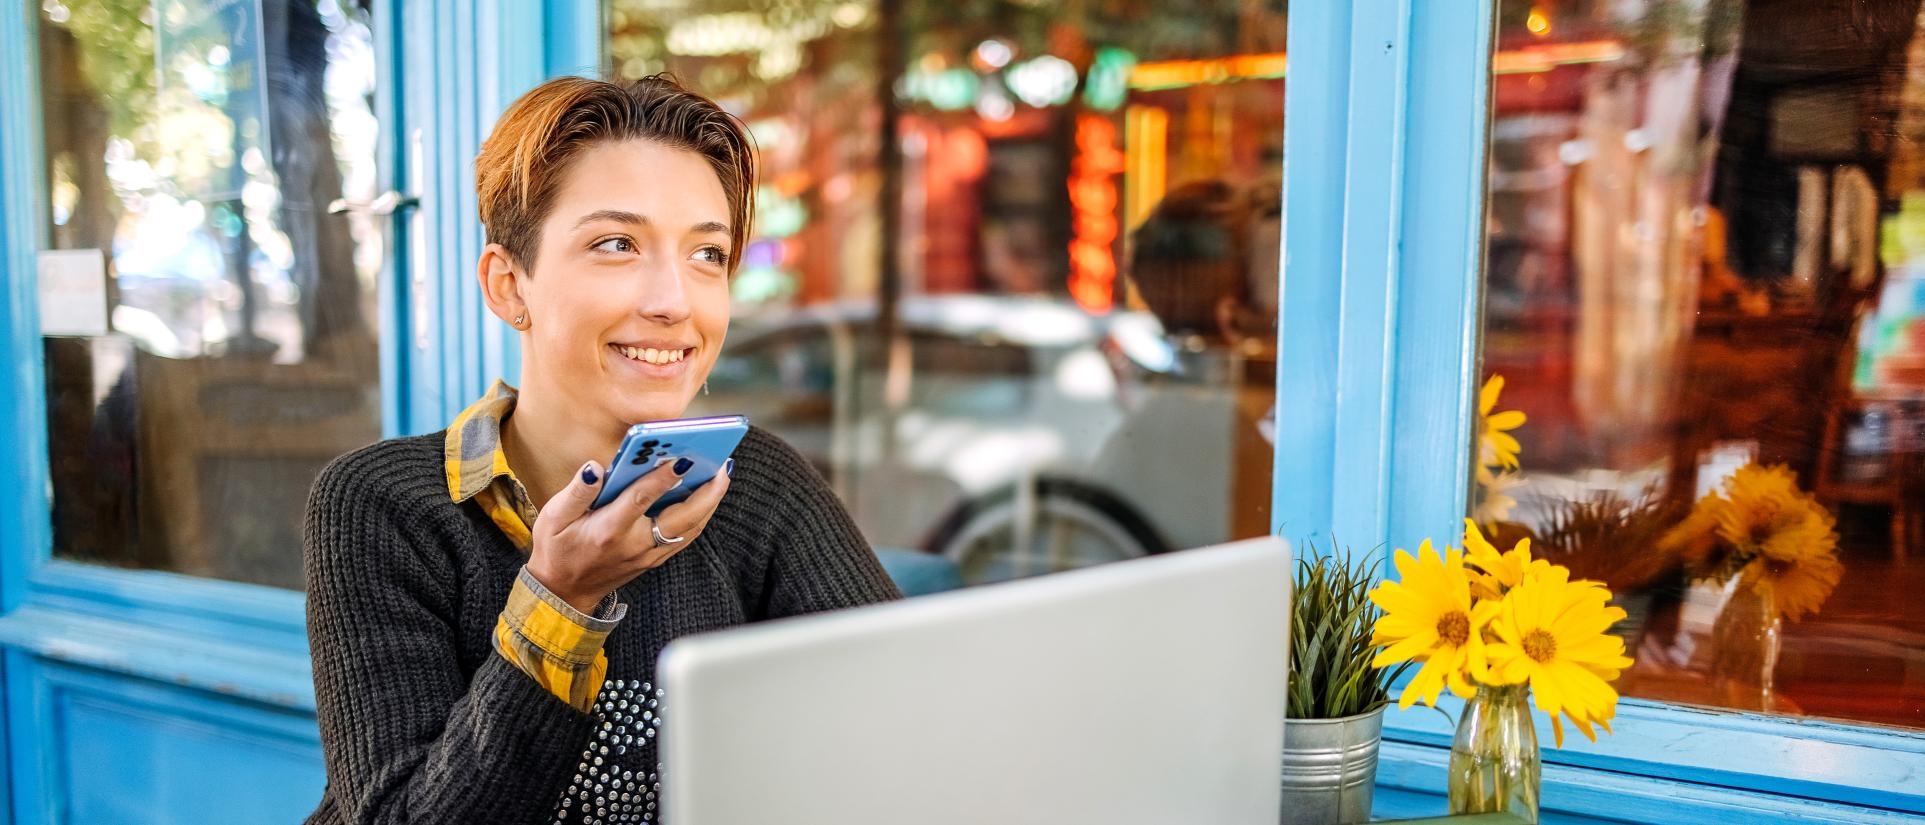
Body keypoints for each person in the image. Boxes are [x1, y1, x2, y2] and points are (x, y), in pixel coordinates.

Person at [302, 75, 901, 825]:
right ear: (508, 284)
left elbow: (903, 724)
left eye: (706, 254)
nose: (673, 301)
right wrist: (560, 598)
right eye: (616, 244)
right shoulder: (382, 505)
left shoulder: (760, 485)